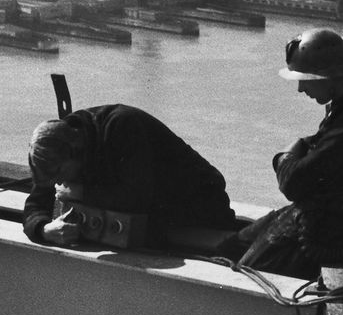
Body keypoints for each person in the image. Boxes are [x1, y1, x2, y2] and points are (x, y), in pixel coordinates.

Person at [233, 28, 343, 278]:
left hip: (331, 231)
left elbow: (293, 182)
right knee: (236, 242)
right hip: (329, 218)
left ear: (327, 76)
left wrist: (283, 159)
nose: (300, 88)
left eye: (304, 79)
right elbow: (317, 152)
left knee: (248, 270)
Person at [22, 104, 236, 249]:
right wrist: (43, 230)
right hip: (151, 216)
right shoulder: (55, 151)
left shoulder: (121, 126)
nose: (59, 183)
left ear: (77, 151)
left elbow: (137, 197)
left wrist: (82, 192)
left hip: (199, 205)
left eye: (61, 175)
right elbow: (35, 204)